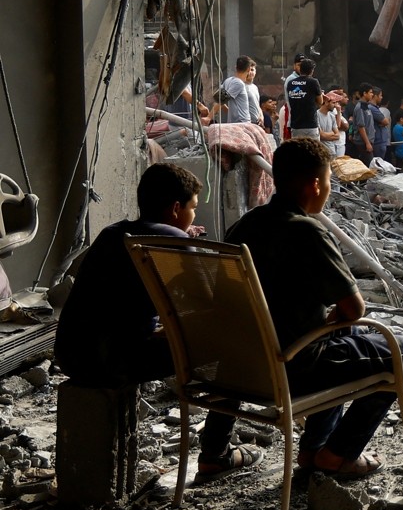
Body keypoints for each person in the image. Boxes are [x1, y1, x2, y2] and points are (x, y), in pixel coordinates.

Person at [226, 139, 403, 477]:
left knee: (342, 337)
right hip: (292, 370)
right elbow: (353, 307)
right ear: (315, 184)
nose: (328, 189)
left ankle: (313, 449)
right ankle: (334, 454)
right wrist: (340, 317)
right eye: (328, 181)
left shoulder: (245, 225)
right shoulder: (306, 231)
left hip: (242, 368)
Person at [55, 163, 262, 477]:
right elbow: (210, 305)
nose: (194, 216)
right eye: (192, 208)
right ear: (176, 208)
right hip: (112, 362)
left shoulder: (115, 233)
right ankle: (216, 453)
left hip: (73, 354)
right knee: (236, 350)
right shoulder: (171, 239)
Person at [286, 58, 323, 140]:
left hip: (295, 125)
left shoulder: (290, 83)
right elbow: (320, 102)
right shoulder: (313, 82)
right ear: (311, 71)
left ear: (301, 69)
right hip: (310, 125)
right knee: (312, 151)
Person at [214, 55, 257, 123]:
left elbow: (217, 97)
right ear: (248, 69)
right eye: (250, 69)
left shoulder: (228, 80)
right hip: (242, 123)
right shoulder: (239, 83)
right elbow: (221, 100)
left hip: (236, 122)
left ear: (236, 67)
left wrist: (228, 110)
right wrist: (209, 117)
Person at [348, 84, 377, 165]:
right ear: (364, 93)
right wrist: (367, 143)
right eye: (370, 92)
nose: (372, 95)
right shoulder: (360, 108)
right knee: (370, 165)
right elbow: (361, 127)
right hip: (363, 143)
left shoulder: (366, 106)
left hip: (369, 140)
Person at [280, 53, 305, 140]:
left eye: (303, 65)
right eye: (299, 65)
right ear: (294, 66)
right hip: (293, 115)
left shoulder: (305, 78)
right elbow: (297, 96)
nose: (301, 67)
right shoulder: (292, 79)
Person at [317, 90, 349, 157]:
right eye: (333, 103)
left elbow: (337, 135)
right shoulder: (316, 115)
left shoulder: (331, 116)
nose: (335, 105)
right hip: (322, 152)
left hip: (332, 151)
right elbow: (321, 135)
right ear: (326, 102)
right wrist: (332, 133)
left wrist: (327, 134)